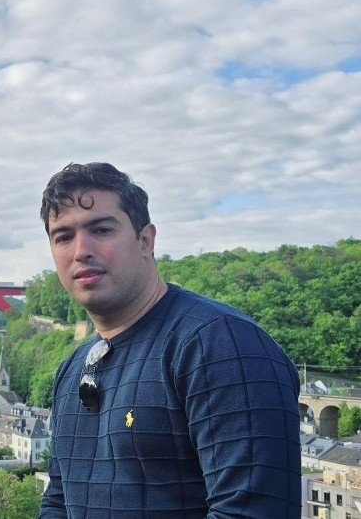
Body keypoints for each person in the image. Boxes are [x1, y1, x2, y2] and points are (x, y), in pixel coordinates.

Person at [37, 162, 301, 518]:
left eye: (101, 229)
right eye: (63, 236)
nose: (81, 250)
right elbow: (58, 502)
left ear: (145, 241)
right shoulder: (71, 370)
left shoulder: (219, 344)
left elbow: (250, 511)